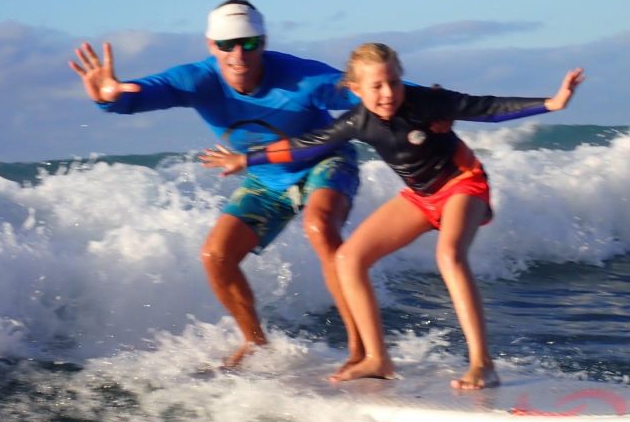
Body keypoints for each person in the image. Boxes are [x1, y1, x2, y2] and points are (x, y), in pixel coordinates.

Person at [200, 43, 585, 389]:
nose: (388, 94)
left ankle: (483, 364)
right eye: (377, 87)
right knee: (350, 258)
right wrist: (246, 159)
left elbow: (484, 107)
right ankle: (377, 359)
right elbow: (305, 146)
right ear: (355, 89)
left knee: (449, 256)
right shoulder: (356, 121)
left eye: (394, 83)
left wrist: (551, 103)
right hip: (421, 195)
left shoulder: (425, 102)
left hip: (463, 185)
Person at [68, 0, 365, 368]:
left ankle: (361, 349)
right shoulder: (198, 79)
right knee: (216, 256)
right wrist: (110, 98)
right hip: (267, 176)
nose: (238, 54)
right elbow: (142, 93)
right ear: (212, 46)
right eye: (227, 44)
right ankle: (256, 344)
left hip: (327, 160)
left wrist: (436, 106)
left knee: (320, 227)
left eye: (249, 43)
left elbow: (374, 88)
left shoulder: (301, 77)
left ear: (263, 41)